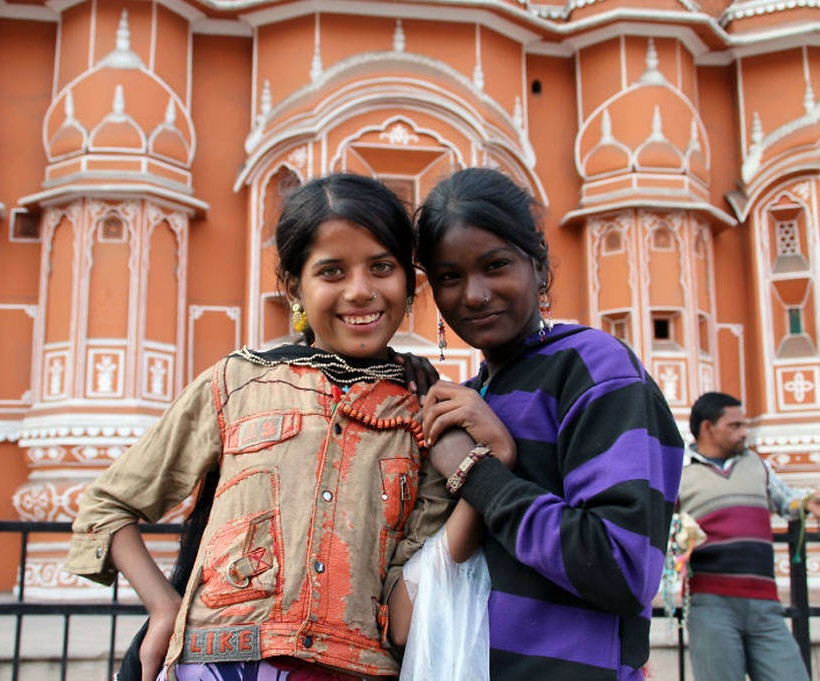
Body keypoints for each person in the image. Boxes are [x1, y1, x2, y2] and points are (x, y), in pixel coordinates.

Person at [63, 173, 458, 681]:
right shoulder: (238, 382)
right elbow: (106, 506)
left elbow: (413, 591)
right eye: (332, 272)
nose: (360, 291)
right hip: (216, 664)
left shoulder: (425, 412)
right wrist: (164, 608)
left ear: (410, 282)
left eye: (381, 267)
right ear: (295, 287)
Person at [406, 166, 685, 680]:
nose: (473, 294)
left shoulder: (594, 369)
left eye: (495, 265)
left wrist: (478, 474)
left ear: (537, 265)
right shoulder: (470, 395)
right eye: (449, 277)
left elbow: (621, 567)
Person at [678, 391, 820, 681]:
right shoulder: (680, 473)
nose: (745, 432)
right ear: (708, 428)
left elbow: (786, 500)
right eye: (735, 426)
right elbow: (664, 527)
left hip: (765, 604)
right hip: (710, 604)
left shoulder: (757, 465)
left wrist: (808, 502)